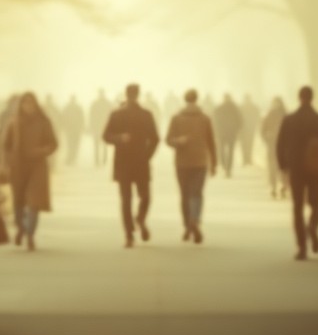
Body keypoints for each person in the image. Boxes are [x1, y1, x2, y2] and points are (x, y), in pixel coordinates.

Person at [276, 86, 318, 260]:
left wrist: (283, 165)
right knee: (316, 203)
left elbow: (280, 145)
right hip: (315, 168)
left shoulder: (289, 120)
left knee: (297, 207)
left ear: (299, 98)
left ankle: (302, 247)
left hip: (296, 168)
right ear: (312, 98)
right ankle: (313, 227)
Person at [103, 83, 160, 248]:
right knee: (145, 197)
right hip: (141, 162)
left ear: (126, 95)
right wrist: (147, 156)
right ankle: (140, 219)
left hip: (123, 163)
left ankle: (129, 235)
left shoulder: (116, 114)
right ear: (137, 95)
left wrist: (119, 138)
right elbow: (155, 139)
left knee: (126, 200)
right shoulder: (146, 115)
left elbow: (106, 136)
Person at [3, 92, 58, 251]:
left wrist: (40, 151)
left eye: (31, 103)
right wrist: (6, 163)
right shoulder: (14, 123)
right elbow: (6, 146)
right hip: (18, 167)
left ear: (36, 105)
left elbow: (53, 144)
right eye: (25, 103)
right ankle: (21, 227)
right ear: (21, 105)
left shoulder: (44, 122)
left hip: (37, 167)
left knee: (34, 202)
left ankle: (30, 234)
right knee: (18, 202)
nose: (28, 106)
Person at [165, 89, 218, 243]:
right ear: (197, 99)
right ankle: (195, 219)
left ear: (184, 100)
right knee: (197, 193)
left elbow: (168, 140)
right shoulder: (205, 119)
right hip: (200, 162)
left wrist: (178, 141)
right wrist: (214, 163)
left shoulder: (176, 118)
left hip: (182, 163)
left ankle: (187, 225)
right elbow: (211, 142)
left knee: (184, 194)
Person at [262, 97, 289, 198]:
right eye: (274, 103)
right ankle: (273, 186)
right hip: (272, 145)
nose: (275, 105)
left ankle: (283, 185)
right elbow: (263, 130)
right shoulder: (269, 115)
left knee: (283, 167)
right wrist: (267, 137)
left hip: (284, 146)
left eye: (277, 103)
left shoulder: (286, 115)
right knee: (272, 166)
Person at [214, 95, 242, 178]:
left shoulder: (219, 108)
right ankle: (227, 168)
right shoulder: (234, 109)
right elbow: (240, 121)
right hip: (230, 133)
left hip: (223, 133)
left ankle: (226, 167)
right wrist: (237, 130)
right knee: (228, 151)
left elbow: (215, 121)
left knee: (223, 151)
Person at [89, 90, 112, 167]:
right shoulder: (106, 103)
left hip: (102, 126)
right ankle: (100, 160)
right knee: (100, 144)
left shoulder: (96, 104)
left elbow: (111, 115)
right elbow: (91, 116)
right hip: (100, 126)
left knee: (101, 144)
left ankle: (101, 160)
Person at [61, 95, 85, 166]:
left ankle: (71, 158)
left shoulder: (68, 107)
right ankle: (71, 158)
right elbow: (63, 118)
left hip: (73, 129)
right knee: (73, 144)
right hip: (72, 129)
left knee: (72, 144)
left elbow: (81, 118)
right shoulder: (74, 108)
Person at [239, 94, 260, 167]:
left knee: (248, 145)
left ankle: (247, 159)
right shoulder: (253, 107)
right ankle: (246, 159)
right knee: (246, 145)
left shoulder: (241, 107)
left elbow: (257, 118)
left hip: (247, 129)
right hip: (245, 129)